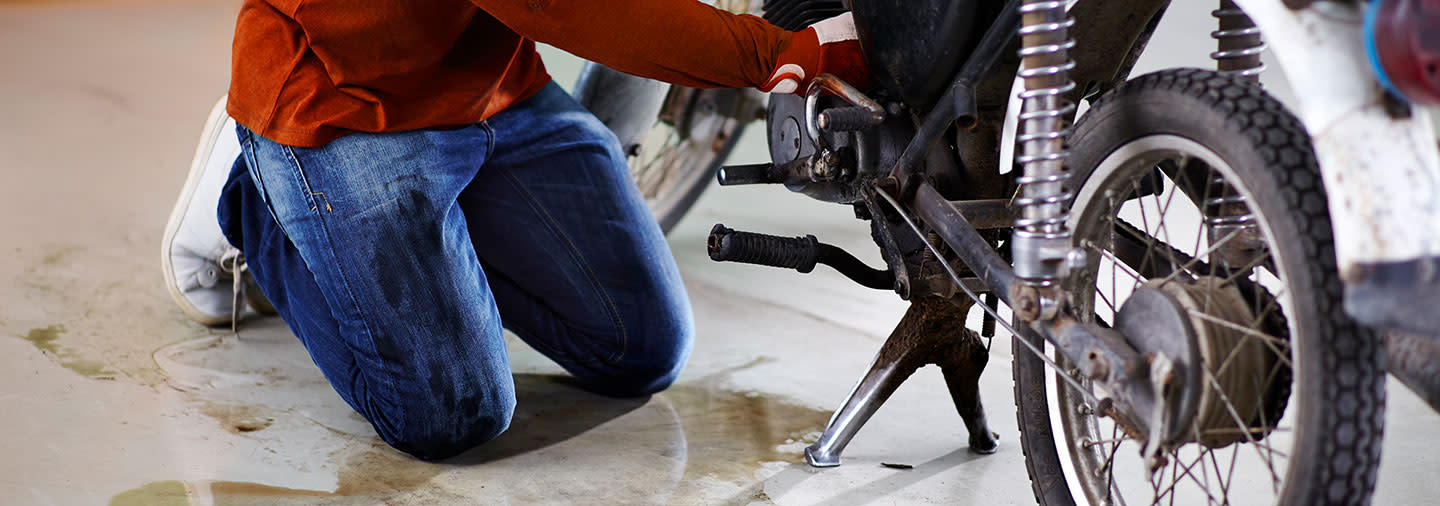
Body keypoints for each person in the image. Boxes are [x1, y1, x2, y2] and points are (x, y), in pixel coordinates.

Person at [161, 0, 869, 461]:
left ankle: (437, 230)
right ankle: (254, 198)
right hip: (345, 103)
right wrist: (776, 51)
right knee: (448, 416)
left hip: (494, 87)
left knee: (641, 348)